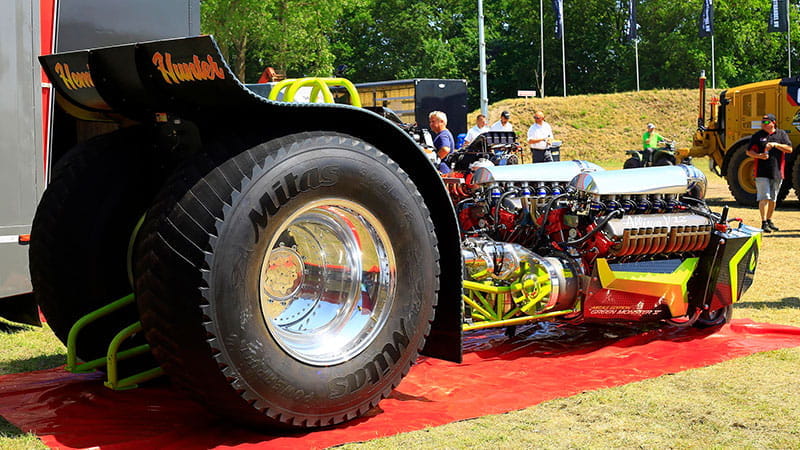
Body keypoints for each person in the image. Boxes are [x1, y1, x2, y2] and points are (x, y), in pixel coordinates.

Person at [745, 113, 793, 232]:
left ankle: (770, 220)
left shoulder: (781, 134)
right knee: (764, 197)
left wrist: (776, 145)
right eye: (762, 122)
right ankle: (763, 222)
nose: (764, 124)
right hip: (761, 172)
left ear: (773, 123)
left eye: (766, 122)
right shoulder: (757, 136)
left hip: (777, 171)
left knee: (773, 198)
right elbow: (748, 152)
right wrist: (759, 156)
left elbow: (790, 149)